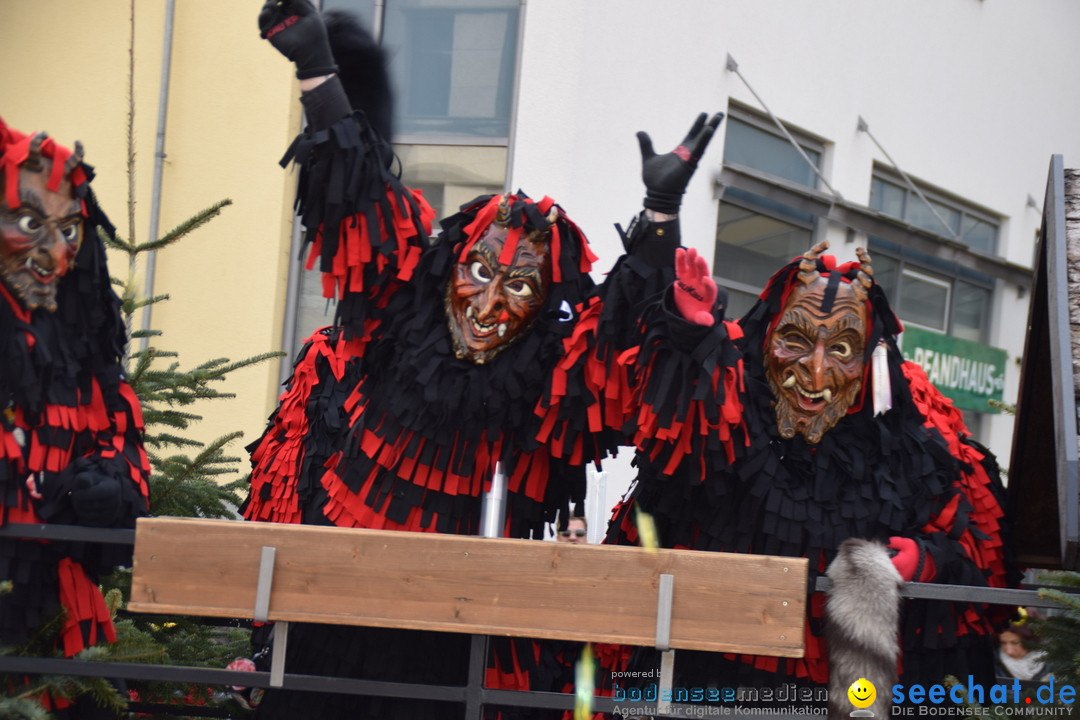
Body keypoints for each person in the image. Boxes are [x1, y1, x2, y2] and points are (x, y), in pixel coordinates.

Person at [242, 2, 720, 718]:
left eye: (520, 285)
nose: (488, 303)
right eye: (478, 272)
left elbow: (622, 361)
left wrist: (657, 217)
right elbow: (362, 206)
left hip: (456, 651)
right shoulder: (398, 324)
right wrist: (317, 68)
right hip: (330, 628)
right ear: (449, 270)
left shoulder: (540, 390)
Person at [599, 240, 1016, 715]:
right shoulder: (728, 400)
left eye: (841, 349)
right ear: (766, 337)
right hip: (709, 683)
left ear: (871, 363)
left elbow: (975, 546)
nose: (815, 374)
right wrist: (688, 337)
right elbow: (677, 443)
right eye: (794, 341)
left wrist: (927, 561)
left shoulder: (912, 427)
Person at [0, 116, 151, 717]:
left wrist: (107, 487)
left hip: (57, 624)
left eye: (69, 230)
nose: (54, 251)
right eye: (31, 223)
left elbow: (127, 463)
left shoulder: (90, 370)